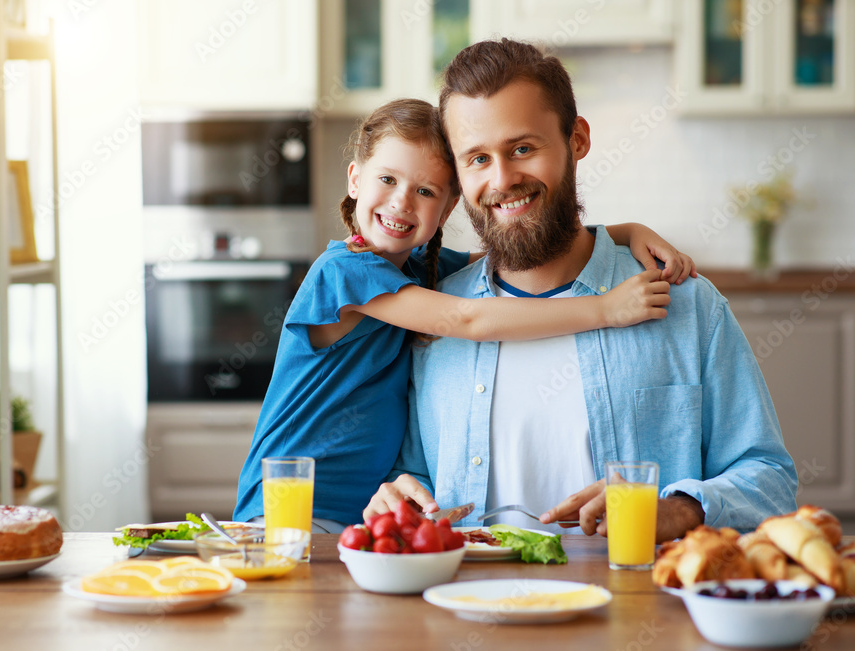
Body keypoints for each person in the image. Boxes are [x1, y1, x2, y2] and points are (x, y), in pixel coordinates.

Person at [366, 40, 798, 541]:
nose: (502, 179)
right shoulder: (432, 317)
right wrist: (398, 496)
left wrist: (676, 510)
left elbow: (770, 480)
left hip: (639, 613)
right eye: (477, 159)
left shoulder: (683, 302)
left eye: (523, 149)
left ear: (577, 140)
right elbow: (419, 476)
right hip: (468, 608)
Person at [233, 98, 696, 533]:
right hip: (288, 512)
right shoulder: (343, 274)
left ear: (449, 206)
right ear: (355, 180)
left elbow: (527, 249)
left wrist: (628, 231)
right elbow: (468, 319)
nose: (401, 202)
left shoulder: (421, 271)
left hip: (358, 517)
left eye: (425, 190)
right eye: (387, 180)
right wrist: (604, 308)